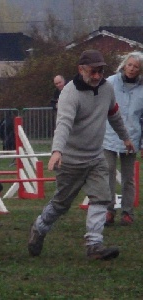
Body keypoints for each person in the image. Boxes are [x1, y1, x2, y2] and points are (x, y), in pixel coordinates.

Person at [28, 50, 135, 260]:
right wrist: (57, 151)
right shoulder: (69, 93)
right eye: (93, 72)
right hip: (71, 160)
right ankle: (39, 228)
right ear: (81, 70)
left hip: (96, 157)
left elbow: (114, 114)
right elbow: (64, 124)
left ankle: (94, 245)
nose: (97, 76)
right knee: (61, 204)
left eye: (101, 71)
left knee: (102, 197)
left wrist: (126, 138)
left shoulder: (107, 88)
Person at [103, 51, 143, 226]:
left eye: (136, 67)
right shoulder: (110, 83)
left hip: (132, 137)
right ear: (124, 65)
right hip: (109, 135)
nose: (132, 69)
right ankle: (108, 210)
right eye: (130, 65)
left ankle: (127, 212)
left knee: (128, 178)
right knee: (108, 172)